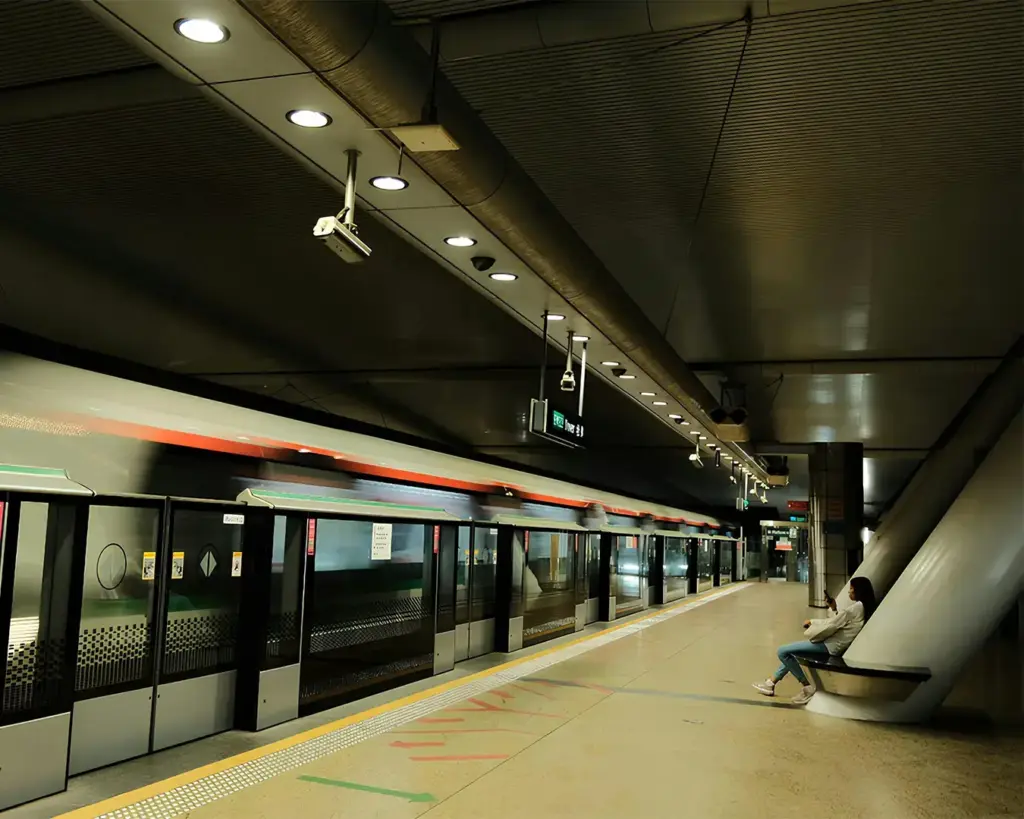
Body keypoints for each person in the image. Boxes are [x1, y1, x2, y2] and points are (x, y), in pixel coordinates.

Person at [752, 576, 877, 705]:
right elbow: (840, 622)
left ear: (859, 590)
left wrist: (812, 622)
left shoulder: (856, 608)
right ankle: (770, 683)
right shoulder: (862, 608)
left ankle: (807, 686)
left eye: (851, 588)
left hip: (829, 646)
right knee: (793, 653)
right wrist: (834, 609)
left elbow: (831, 625)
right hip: (833, 645)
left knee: (782, 651)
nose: (849, 591)